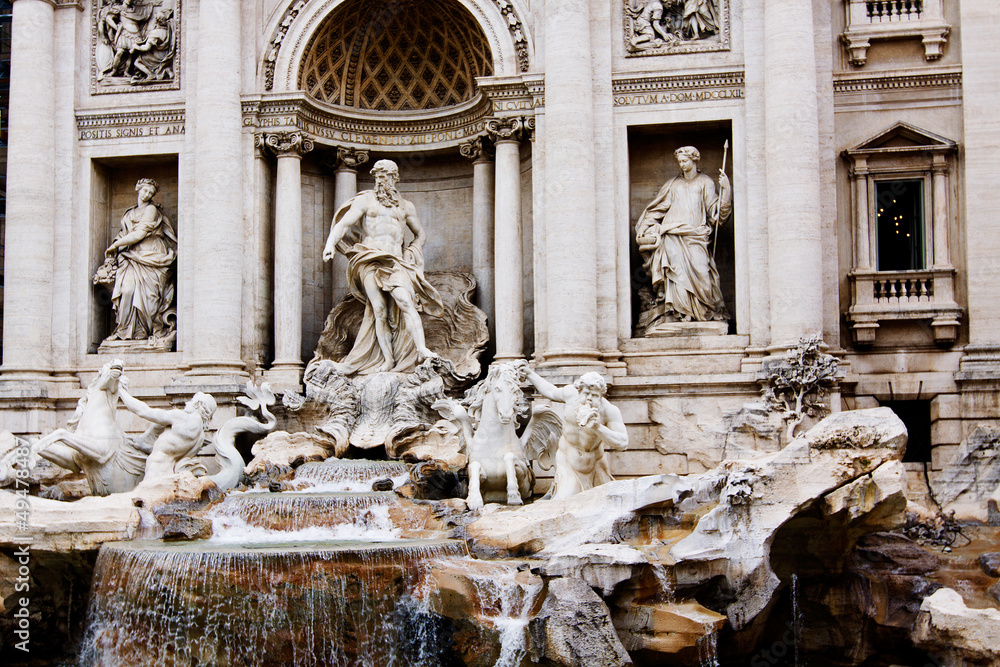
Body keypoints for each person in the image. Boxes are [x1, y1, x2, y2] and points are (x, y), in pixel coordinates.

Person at [322, 159, 443, 375]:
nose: (380, 179)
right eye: (377, 175)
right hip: (369, 258)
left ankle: (422, 349)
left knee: (406, 301)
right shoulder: (366, 200)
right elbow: (345, 223)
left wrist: (412, 249)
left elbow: (420, 233)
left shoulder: (406, 206)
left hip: (395, 261)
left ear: (394, 178)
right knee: (378, 309)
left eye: (384, 175)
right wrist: (330, 243)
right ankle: (387, 360)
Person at [634, 145, 731, 327]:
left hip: (696, 235)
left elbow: (717, 215)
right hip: (672, 235)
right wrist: (645, 226)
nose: (682, 164)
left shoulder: (706, 183)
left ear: (694, 161)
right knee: (675, 273)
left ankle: (703, 312)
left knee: (702, 271)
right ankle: (678, 313)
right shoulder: (673, 184)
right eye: (679, 161)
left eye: (685, 160)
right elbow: (658, 209)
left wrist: (726, 191)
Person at [516, 361, 628, 500]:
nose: (589, 398)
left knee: (606, 503)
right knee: (564, 501)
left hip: (596, 465)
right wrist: (530, 374)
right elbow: (550, 391)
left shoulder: (609, 411)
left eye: (594, 396)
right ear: (579, 391)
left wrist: (598, 427)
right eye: (586, 393)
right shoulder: (570, 394)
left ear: (601, 395)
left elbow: (623, 442)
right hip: (567, 462)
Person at [100, 178, 177, 343]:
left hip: (152, 255)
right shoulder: (129, 213)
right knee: (127, 291)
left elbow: (140, 234)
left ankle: (144, 333)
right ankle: (124, 331)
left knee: (149, 298)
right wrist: (117, 244)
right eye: (145, 190)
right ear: (138, 189)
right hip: (132, 257)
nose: (147, 194)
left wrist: (115, 246)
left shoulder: (151, 210)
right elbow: (125, 233)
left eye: (151, 193)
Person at [117, 387, 216, 483]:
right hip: (168, 476)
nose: (187, 403)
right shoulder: (200, 437)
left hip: (155, 475)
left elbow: (144, 411)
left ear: (197, 404)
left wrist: (121, 391)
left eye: (191, 401)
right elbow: (170, 452)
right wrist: (145, 447)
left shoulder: (183, 418)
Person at [130, 7, 174, 83]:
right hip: (165, 54)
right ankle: (165, 69)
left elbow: (146, 48)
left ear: (157, 21)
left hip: (157, 57)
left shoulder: (155, 33)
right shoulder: (167, 31)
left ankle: (150, 74)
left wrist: (135, 46)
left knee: (137, 61)